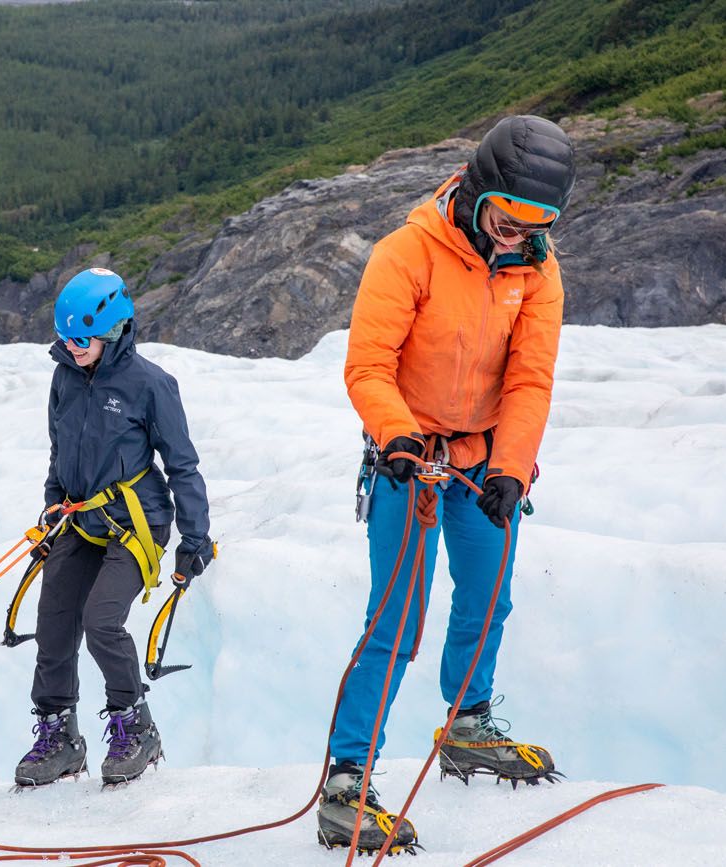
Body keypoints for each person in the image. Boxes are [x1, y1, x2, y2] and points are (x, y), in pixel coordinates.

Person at [317, 115, 576, 853]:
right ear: (476, 188)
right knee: (395, 621)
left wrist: (511, 466)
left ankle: (467, 722)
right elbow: (369, 362)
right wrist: (395, 433)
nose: (510, 239)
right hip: (409, 461)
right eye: (503, 219)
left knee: (490, 595)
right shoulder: (408, 254)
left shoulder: (538, 269)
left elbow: (530, 378)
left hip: (484, 458)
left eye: (532, 227)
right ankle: (347, 775)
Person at [14, 267, 215, 789]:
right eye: (64, 337)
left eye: (81, 339)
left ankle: (134, 724)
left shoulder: (150, 384)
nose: (71, 347)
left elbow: (182, 465)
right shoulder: (64, 377)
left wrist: (195, 538)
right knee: (55, 620)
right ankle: (59, 736)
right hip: (80, 519)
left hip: (137, 524)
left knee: (102, 622)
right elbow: (60, 452)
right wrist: (54, 507)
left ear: (112, 330)